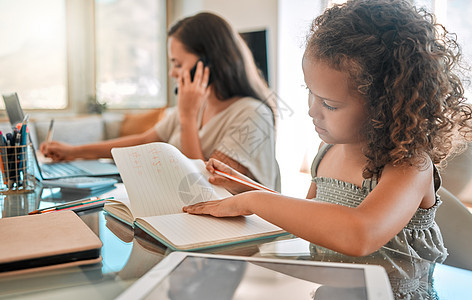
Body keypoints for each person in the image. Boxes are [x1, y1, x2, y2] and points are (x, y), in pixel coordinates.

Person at [183, 0, 472, 262]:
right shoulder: (327, 153)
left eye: (330, 104)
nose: (312, 110)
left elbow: (359, 234)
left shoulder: (408, 166)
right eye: (310, 92)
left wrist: (255, 200)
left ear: (387, 106)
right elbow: (314, 220)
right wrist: (250, 189)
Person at [40, 12, 280, 191]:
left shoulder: (252, 114)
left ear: (210, 62)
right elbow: (144, 141)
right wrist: (73, 152)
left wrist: (186, 119)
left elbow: (206, 186)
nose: (172, 73)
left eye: (177, 63)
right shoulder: (197, 106)